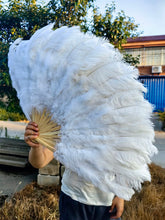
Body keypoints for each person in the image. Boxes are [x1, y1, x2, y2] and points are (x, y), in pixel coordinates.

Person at [24, 121, 124, 220]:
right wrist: (36, 146)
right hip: (73, 200)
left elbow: (125, 161)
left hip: (108, 202)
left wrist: (120, 195)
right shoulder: (68, 123)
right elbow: (39, 162)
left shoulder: (114, 121)